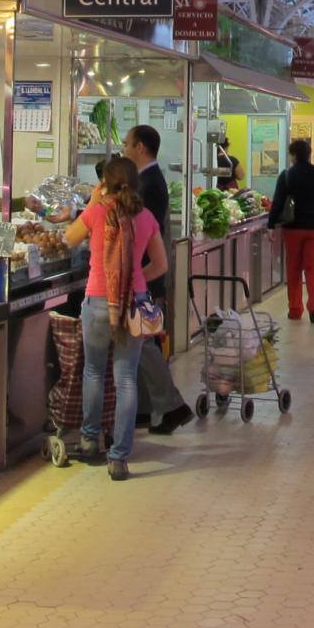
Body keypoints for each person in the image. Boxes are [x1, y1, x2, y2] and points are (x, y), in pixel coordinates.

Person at [62, 156, 168, 479]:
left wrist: (93, 202)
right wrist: (134, 280)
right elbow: (161, 265)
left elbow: (68, 238)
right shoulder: (146, 217)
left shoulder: (96, 213)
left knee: (93, 371)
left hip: (96, 301)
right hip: (134, 304)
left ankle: (90, 440)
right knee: (126, 378)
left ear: (104, 183)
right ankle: (119, 458)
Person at [123, 124, 194, 435]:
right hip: (145, 275)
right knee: (139, 342)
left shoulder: (149, 183)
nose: (124, 148)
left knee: (144, 341)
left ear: (140, 147)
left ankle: (172, 406)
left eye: (127, 143)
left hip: (144, 278)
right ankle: (146, 408)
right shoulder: (149, 179)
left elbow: (141, 233)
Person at [267, 139, 314, 323]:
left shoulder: (287, 175)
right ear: (310, 154)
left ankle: (295, 309)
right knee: (313, 268)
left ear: (293, 155)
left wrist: (271, 225)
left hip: (293, 228)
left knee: (294, 269)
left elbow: (278, 202)